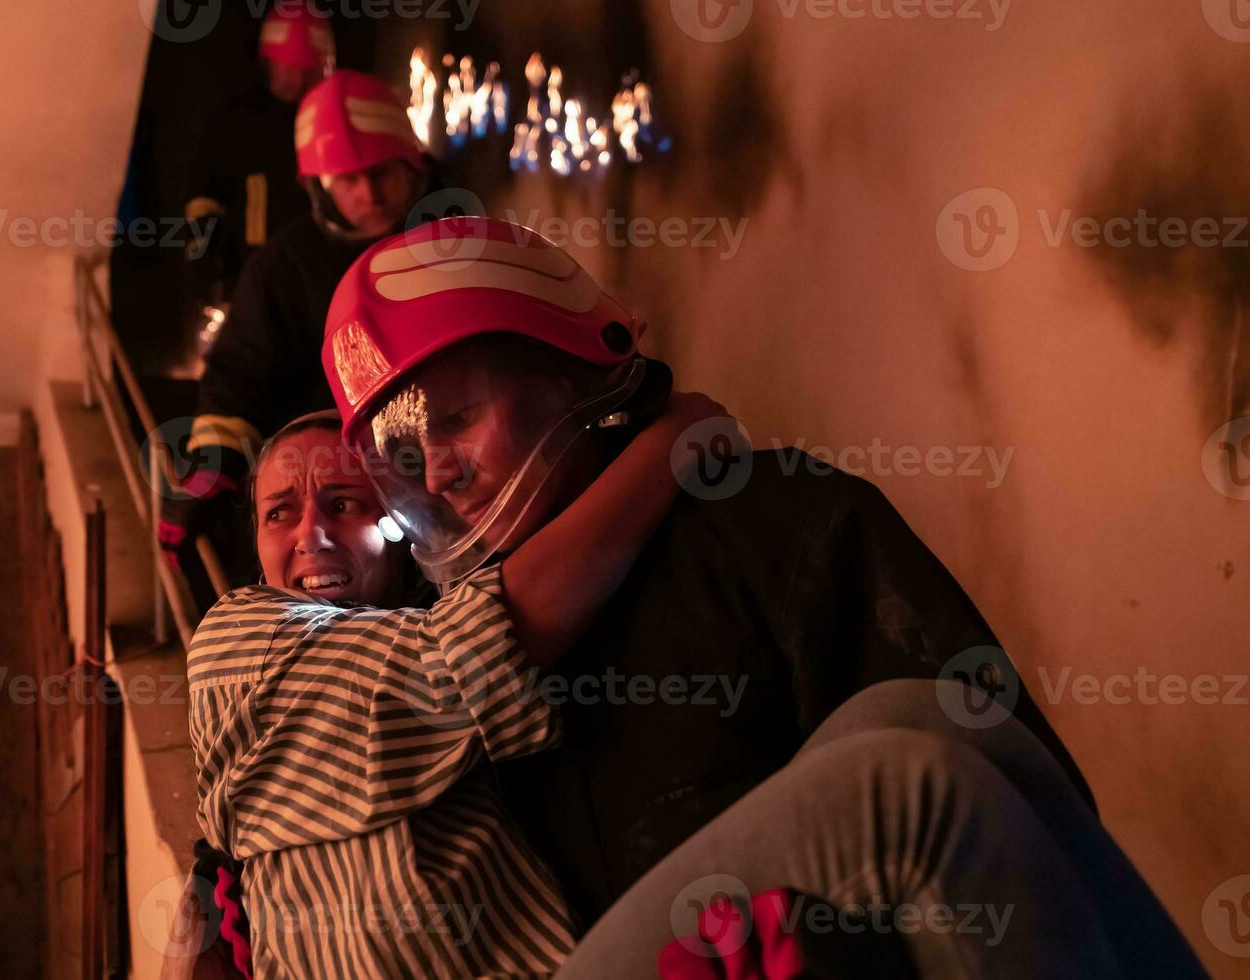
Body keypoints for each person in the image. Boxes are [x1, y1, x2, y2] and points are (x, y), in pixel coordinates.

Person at [314, 216, 1205, 975]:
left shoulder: (770, 524)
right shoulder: (431, 650)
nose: (434, 469)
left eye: (456, 418)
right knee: (908, 780)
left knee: (934, 730)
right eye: (403, 454)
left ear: (565, 369)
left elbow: (1028, 821)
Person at [185, 393, 724, 979]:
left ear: (400, 525)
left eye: (343, 503)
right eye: (278, 514)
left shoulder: (419, 620)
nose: (310, 535)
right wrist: (677, 436)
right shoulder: (235, 639)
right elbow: (462, 656)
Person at [160, 69, 432, 589]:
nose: (369, 193)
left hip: (445, 480)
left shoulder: (455, 236)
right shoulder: (285, 264)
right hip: (337, 489)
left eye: (382, 172)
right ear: (318, 187)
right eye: (349, 179)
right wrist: (211, 466)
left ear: (413, 166)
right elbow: (241, 369)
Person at [182, 6, 333, 310]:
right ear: (268, 62)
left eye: (308, 70)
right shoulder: (236, 122)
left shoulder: (332, 121)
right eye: (288, 67)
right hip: (251, 278)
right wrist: (204, 252)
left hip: (321, 277)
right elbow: (205, 193)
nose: (298, 78)